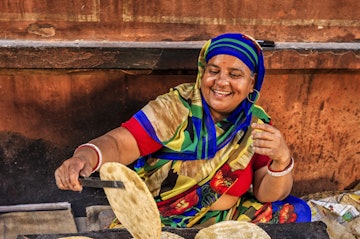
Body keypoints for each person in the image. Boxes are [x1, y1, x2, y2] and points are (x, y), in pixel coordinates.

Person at [55, 33, 311, 227]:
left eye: (235, 74)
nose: (221, 82)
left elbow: (267, 193)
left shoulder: (256, 124)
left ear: (252, 81)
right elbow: (121, 143)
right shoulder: (175, 108)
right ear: (202, 72)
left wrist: (282, 159)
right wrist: (84, 158)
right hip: (163, 219)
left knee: (295, 214)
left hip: (224, 219)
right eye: (214, 71)